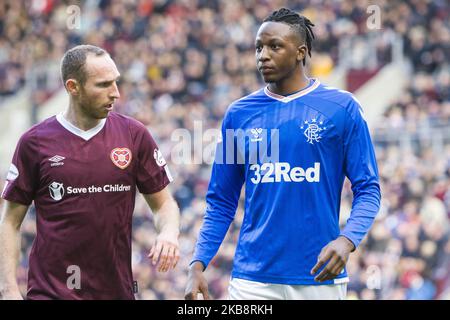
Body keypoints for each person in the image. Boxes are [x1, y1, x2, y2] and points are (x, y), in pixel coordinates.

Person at [185, 8, 381, 300]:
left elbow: (369, 189)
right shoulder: (238, 115)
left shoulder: (342, 109)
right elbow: (221, 200)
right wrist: (197, 264)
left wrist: (347, 240)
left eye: (274, 46)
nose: (263, 55)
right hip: (252, 280)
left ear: (301, 52)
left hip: (319, 277)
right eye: (258, 47)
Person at [0, 45, 180, 300]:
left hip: (115, 291)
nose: (115, 93)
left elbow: (164, 205)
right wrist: (8, 289)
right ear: (73, 87)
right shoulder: (35, 142)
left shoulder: (133, 135)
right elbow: (9, 221)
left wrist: (169, 232)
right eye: (103, 85)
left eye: (116, 82)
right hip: (50, 293)